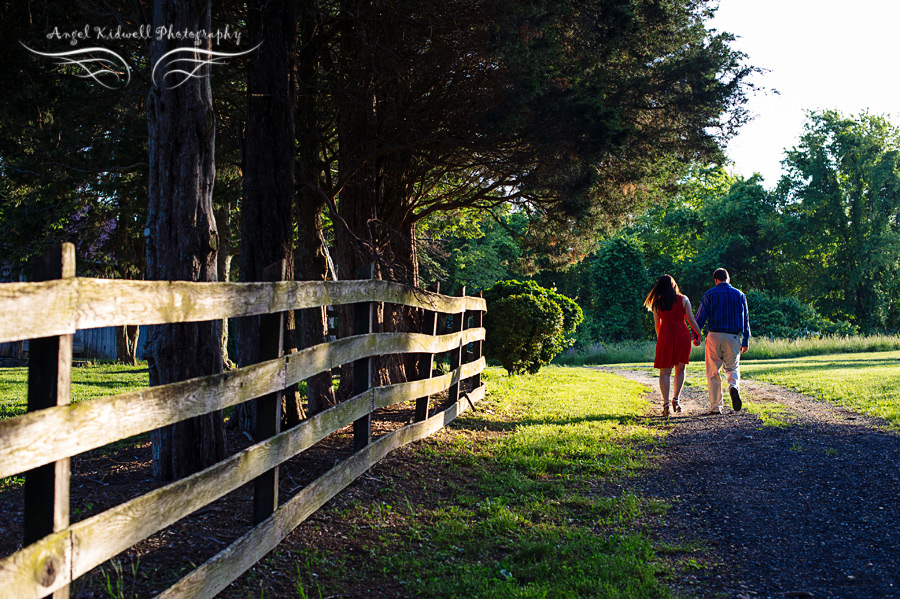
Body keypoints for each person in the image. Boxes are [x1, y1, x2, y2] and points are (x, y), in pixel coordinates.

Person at [643, 275, 703, 417]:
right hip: (682, 335)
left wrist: (661, 340)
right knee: (680, 369)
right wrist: (699, 334)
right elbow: (691, 320)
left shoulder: (657, 303)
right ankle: (676, 399)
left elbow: (657, 325)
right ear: (673, 285)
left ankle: (666, 404)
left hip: (665, 336)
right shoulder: (683, 299)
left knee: (664, 372)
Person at [694, 268, 751, 414]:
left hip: (714, 336)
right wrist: (745, 339)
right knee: (732, 368)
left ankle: (716, 407)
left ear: (715, 280)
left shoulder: (709, 294)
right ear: (728, 279)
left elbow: (700, 318)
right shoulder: (739, 295)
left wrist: (696, 335)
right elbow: (745, 319)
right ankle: (733, 387)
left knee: (713, 372)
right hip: (733, 336)